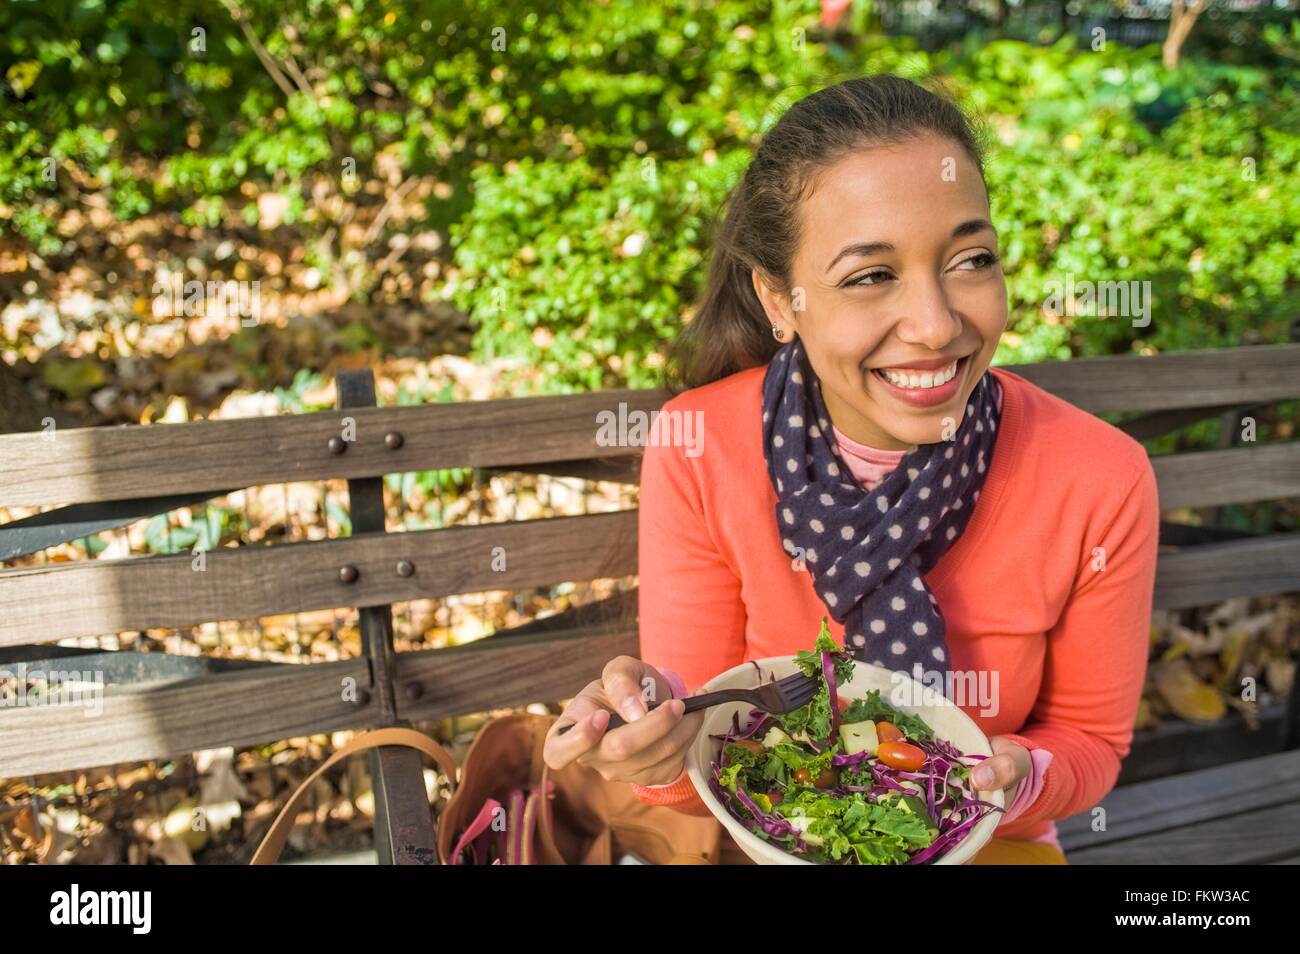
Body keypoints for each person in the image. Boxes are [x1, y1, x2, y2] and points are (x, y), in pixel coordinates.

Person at [542, 74, 1160, 865]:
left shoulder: (1100, 475)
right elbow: (692, 757)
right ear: (778, 299)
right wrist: (648, 738)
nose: (937, 325)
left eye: (971, 260)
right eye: (871, 276)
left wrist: (1021, 775)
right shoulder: (699, 443)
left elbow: (1088, 741)